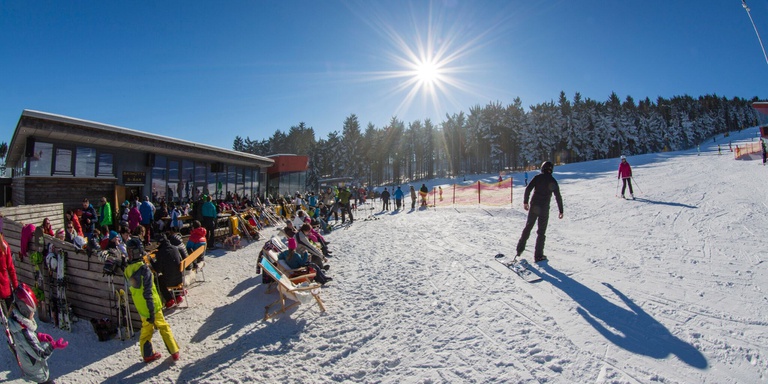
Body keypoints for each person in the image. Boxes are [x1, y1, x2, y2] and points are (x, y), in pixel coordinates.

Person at [123, 235, 180, 363]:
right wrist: (151, 309)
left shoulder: (127, 270)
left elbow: (132, 286)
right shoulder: (144, 270)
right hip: (152, 305)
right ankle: (174, 350)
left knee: (146, 329)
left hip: (141, 307)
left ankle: (147, 354)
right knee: (163, 327)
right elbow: (147, 291)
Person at [7, 283, 68, 384]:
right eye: (32, 311)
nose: (34, 314)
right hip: (36, 376)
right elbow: (41, 354)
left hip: (32, 370)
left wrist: (38, 336)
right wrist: (53, 345)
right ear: (24, 310)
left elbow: (27, 342)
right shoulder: (24, 332)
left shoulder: (18, 323)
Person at [515, 161, 563, 262]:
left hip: (534, 207)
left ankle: (519, 250)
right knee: (541, 232)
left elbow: (528, 189)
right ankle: (538, 256)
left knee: (528, 227)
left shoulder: (538, 177)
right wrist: (561, 210)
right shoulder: (552, 180)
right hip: (544, 209)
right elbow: (558, 196)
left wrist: (525, 202)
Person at [151, 234, 184, 308]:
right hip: (179, 278)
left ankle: (169, 299)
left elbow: (157, 269)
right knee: (171, 271)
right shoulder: (174, 248)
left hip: (170, 280)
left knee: (158, 279)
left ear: (159, 243)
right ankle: (177, 296)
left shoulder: (161, 253)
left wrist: (151, 261)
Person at [1, 232, 19, 310]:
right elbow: (11, 269)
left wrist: (16, 287)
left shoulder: (5, 246)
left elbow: (11, 269)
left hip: (5, 290)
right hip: (6, 290)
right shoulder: (5, 245)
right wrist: (16, 287)